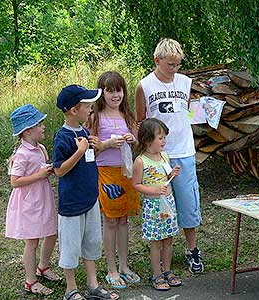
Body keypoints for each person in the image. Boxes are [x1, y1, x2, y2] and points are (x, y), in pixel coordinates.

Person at [135, 38, 204, 274]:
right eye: (170, 65)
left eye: (177, 65)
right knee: (162, 203)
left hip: (183, 151)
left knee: (188, 202)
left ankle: (192, 249)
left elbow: (189, 111)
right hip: (158, 155)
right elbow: (141, 122)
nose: (174, 69)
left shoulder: (185, 82)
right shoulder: (144, 86)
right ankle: (162, 251)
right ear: (157, 60)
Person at [52, 85, 119, 300]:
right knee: (71, 247)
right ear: (74, 110)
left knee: (91, 243)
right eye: (88, 106)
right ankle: (70, 289)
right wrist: (80, 151)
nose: (91, 109)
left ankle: (93, 285)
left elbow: (89, 159)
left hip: (90, 199)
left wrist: (96, 147)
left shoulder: (84, 131)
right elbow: (59, 170)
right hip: (71, 204)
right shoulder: (61, 137)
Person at [87, 71, 141, 289]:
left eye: (118, 90)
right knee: (110, 220)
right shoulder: (95, 116)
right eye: (110, 91)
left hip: (127, 172)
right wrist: (109, 144)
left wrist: (132, 139)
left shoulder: (128, 115)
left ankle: (124, 266)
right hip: (106, 172)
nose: (115, 95)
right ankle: (111, 268)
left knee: (124, 220)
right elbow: (90, 151)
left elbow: (137, 144)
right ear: (102, 93)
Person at [6, 104, 60, 296]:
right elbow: (15, 181)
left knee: (52, 233)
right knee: (32, 241)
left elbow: (42, 169)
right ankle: (30, 280)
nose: (43, 127)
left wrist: (50, 169)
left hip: (43, 198)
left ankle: (43, 267)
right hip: (29, 203)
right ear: (28, 130)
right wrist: (39, 175)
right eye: (40, 124)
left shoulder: (41, 148)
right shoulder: (22, 154)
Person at [133, 118, 182, 291]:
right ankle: (156, 274)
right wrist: (153, 191)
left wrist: (174, 173)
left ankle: (167, 270)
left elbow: (166, 177)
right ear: (147, 140)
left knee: (168, 239)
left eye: (164, 138)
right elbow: (136, 184)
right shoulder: (141, 161)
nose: (164, 141)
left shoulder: (164, 156)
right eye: (160, 138)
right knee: (156, 241)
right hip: (153, 206)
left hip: (168, 202)